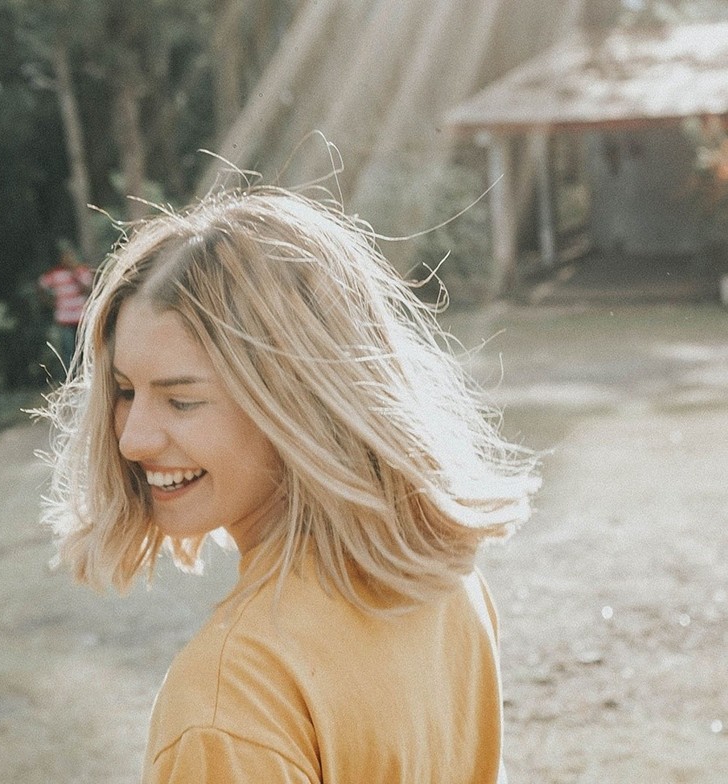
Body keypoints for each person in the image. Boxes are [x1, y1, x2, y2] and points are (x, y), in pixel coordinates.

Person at [41, 184, 540, 783]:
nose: (133, 440)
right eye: (125, 391)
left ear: (296, 403)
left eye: (182, 400)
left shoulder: (228, 703)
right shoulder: (440, 576)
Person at [38, 247, 93, 371]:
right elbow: (41, 285)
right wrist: (49, 301)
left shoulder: (82, 271)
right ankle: (70, 376)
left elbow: (88, 288)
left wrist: (75, 273)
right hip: (64, 319)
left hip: (81, 318)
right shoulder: (56, 273)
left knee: (84, 350)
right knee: (68, 352)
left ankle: (85, 374)